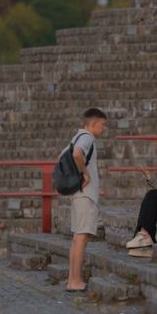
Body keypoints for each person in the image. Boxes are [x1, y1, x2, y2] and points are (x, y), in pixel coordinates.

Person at [65, 107, 107, 292]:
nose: (103, 129)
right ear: (93, 123)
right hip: (85, 194)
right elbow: (77, 153)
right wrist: (85, 174)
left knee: (78, 237)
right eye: (102, 125)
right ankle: (75, 281)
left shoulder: (77, 136)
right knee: (81, 237)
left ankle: (72, 280)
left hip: (79, 194)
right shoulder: (87, 137)